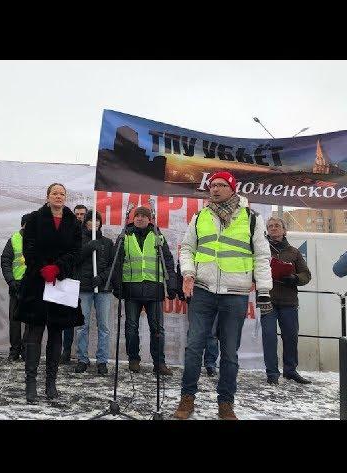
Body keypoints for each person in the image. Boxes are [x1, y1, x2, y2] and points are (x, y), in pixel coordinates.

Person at [174, 171, 272, 420]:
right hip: (203, 291)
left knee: (229, 353)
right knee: (194, 347)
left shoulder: (251, 218)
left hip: (235, 294)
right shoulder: (200, 216)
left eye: (220, 185)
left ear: (232, 188)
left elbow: (262, 256)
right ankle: (187, 400)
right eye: (212, 185)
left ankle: (226, 404)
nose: (214, 189)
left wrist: (264, 290)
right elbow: (187, 248)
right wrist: (188, 272)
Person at [16, 183, 84, 403]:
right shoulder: (35, 219)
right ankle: (31, 384)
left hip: (60, 285)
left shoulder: (73, 222)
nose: (58, 196)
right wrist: (43, 268)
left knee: (56, 334)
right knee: (34, 333)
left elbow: (75, 252)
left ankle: (51, 384)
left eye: (62, 194)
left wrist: (58, 268)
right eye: (55, 193)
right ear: (47, 196)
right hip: (37, 283)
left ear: (66, 197)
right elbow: (29, 247)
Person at [112, 205, 177, 376]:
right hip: (131, 289)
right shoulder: (124, 235)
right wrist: (116, 283)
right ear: (133, 218)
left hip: (153, 289)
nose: (140, 218)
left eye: (143, 216)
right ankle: (134, 360)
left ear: (150, 219)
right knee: (131, 327)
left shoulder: (157, 236)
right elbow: (116, 262)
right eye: (137, 215)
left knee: (157, 330)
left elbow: (167, 261)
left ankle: (159, 363)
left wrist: (171, 284)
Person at [261, 216, 312, 385]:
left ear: (284, 230)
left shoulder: (294, 252)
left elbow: (307, 275)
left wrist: (295, 278)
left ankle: (290, 371)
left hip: (289, 301)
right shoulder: (262, 249)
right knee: (269, 336)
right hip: (267, 299)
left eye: (277, 226)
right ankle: (272, 374)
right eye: (270, 226)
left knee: (290, 337)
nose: (273, 228)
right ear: (267, 230)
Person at [74, 210, 114, 375]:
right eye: (91, 220)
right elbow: (74, 261)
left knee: (103, 326)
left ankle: (102, 361)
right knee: (82, 326)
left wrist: (102, 278)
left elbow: (113, 265)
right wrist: (88, 248)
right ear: (85, 223)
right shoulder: (77, 241)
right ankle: (82, 359)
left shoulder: (107, 242)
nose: (95, 222)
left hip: (102, 289)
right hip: (84, 288)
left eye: (97, 220)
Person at [61, 203, 89, 362]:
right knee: (67, 319)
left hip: (85, 282)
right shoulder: (68, 232)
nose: (79, 217)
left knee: (83, 321)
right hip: (69, 280)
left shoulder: (91, 234)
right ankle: (66, 351)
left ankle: (81, 354)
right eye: (77, 214)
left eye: (82, 214)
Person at [0, 214, 30, 361]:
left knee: (30, 320)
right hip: (16, 285)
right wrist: (11, 281)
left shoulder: (38, 240)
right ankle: (14, 350)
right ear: (23, 224)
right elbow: (5, 261)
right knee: (15, 321)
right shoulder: (14, 239)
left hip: (31, 285)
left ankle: (26, 350)